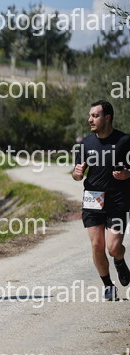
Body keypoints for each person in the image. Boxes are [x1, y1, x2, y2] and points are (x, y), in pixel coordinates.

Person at [73, 100, 130, 300]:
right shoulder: (86, 144)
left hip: (117, 201)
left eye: (95, 116)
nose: (90, 119)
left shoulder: (124, 141)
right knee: (97, 245)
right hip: (93, 200)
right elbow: (77, 174)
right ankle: (108, 285)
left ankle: (119, 259)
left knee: (113, 248)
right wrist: (77, 173)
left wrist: (128, 174)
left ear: (107, 117)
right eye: (90, 116)